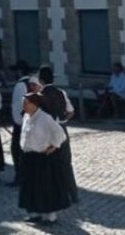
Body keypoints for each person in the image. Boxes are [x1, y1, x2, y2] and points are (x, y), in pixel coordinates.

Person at [18, 92, 71, 225]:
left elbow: (60, 133)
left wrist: (53, 146)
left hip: (42, 157)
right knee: (30, 186)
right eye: (23, 103)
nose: (24, 106)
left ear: (35, 104)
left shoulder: (45, 118)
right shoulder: (26, 116)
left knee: (45, 187)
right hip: (28, 156)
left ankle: (50, 215)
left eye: (26, 103)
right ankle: (34, 212)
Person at [38, 66, 78, 204]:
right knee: (66, 163)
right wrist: (63, 121)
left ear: (40, 80)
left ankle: (55, 195)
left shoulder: (39, 96)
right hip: (61, 128)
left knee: (49, 165)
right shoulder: (61, 92)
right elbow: (71, 111)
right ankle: (73, 194)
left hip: (47, 131)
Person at [8, 66, 32, 186]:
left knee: (17, 150)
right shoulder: (32, 83)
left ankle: (20, 177)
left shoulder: (20, 85)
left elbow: (18, 105)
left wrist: (17, 121)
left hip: (22, 122)